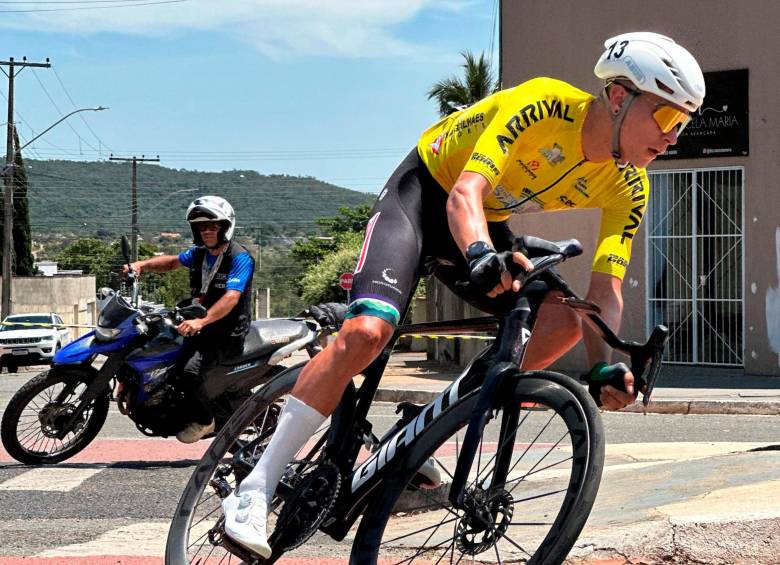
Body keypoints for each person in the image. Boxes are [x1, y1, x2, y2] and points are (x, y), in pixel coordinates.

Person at [221, 32, 705, 557]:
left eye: (682, 123)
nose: (673, 135)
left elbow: (605, 287)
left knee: (564, 317)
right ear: (617, 97)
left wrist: (605, 362)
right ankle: (255, 488)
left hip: (482, 223)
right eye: (665, 118)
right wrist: (478, 255)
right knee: (367, 332)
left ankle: (431, 423)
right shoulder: (542, 105)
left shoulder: (630, 184)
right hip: (425, 195)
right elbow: (464, 193)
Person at [123, 195, 255, 443]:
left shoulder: (239, 258)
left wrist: (201, 322)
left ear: (225, 226)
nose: (206, 231)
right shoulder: (200, 254)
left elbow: (231, 298)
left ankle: (205, 420)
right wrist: (142, 265)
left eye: (212, 225)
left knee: (187, 373)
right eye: (201, 226)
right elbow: (172, 262)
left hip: (224, 333)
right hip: (195, 325)